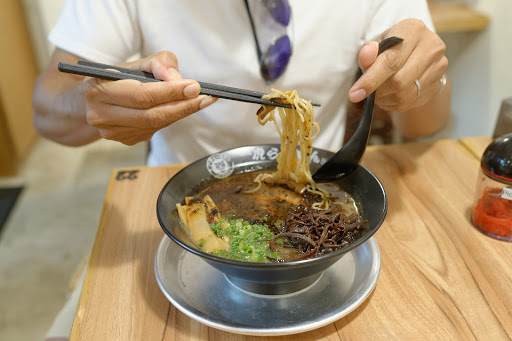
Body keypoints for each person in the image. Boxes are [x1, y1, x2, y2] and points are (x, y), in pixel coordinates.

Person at [34, 1, 450, 340]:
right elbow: (46, 110)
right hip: (168, 204)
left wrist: (421, 84)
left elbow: (425, 125)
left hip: (317, 181)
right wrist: (88, 106)